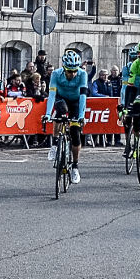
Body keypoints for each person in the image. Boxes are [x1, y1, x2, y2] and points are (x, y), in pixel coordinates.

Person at [47, 49, 88, 183]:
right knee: (59, 113)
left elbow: (83, 96)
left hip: (76, 101)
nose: (73, 73)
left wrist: (81, 116)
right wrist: (47, 114)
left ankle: (75, 166)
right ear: (64, 68)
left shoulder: (82, 74)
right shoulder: (56, 74)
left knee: (76, 133)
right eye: (69, 71)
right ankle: (54, 145)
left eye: (75, 70)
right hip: (61, 98)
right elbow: (52, 95)